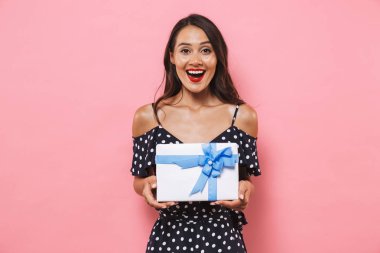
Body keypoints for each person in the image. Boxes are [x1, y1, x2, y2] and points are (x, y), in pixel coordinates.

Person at [131, 13, 261, 253]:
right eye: (185, 51)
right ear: (172, 57)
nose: (196, 60)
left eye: (205, 50)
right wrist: (145, 187)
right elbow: (139, 181)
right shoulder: (148, 117)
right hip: (168, 239)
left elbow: (246, 181)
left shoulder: (242, 117)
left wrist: (246, 192)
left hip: (224, 239)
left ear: (218, 58)